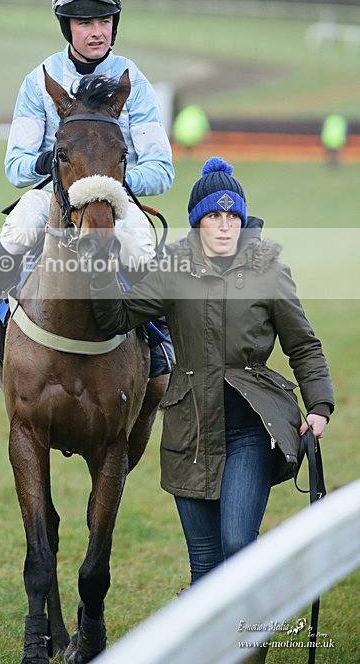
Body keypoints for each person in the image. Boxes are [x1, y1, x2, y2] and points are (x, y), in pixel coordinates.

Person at [89, 156, 334, 589]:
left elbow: (304, 344)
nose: (224, 225)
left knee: (238, 546)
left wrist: (319, 405)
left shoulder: (269, 273)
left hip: (251, 431)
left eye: (232, 215)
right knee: (203, 567)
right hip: (190, 432)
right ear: (198, 222)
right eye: (213, 216)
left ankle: (247, 648)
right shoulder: (172, 270)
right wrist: (101, 266)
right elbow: (116, 318)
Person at [0, 0, 175, 372]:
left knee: (139, 245)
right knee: (21, 225)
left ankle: (158, 336)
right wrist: (51, 163)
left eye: (105, 21)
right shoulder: (37, 81)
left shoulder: (135, 83)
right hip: (55, 192)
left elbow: (162, 170)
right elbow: (16, 166)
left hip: (115, 196)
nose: (97, 31)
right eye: (85, 22)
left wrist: (111, 179)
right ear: (68, 27)